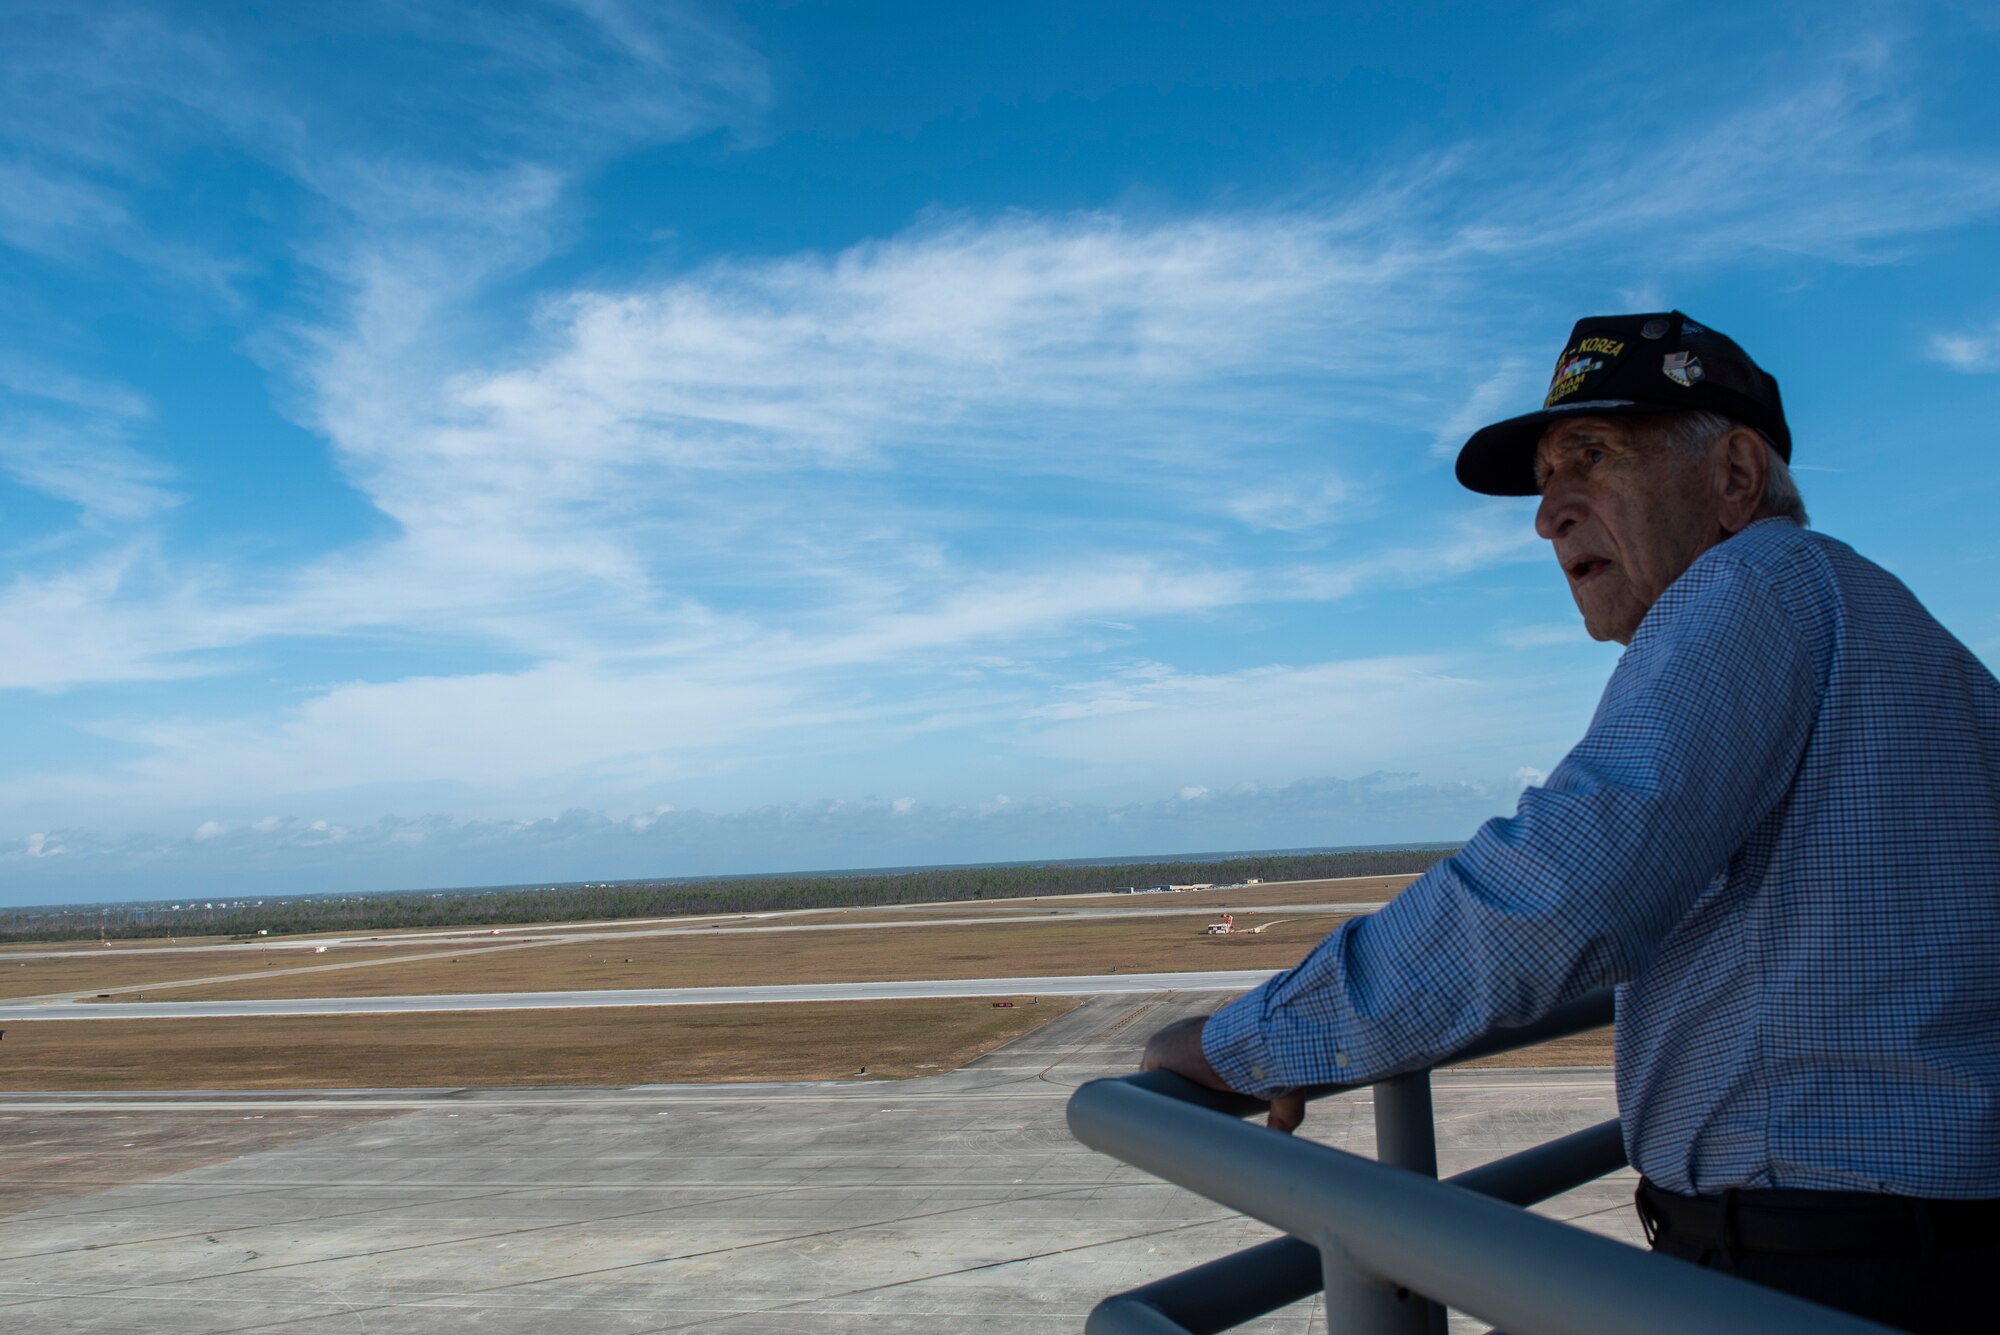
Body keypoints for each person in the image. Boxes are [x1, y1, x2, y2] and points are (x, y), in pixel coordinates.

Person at [1139, 311, 2000, 1333]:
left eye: (1588, 459)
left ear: (1732, 476)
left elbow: (1559, 889)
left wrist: (1253, 1041)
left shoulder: (1743, 586)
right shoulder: (1888, 623)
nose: (1547, 515)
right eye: (1545, 481)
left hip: (1816, 1262)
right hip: (1929, 1240)